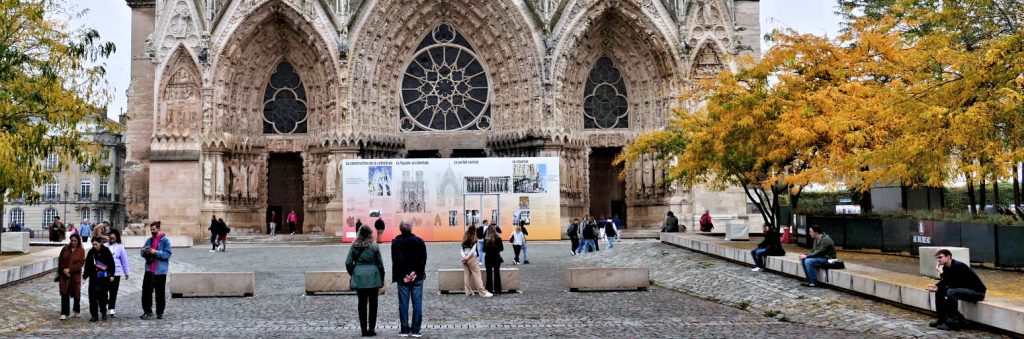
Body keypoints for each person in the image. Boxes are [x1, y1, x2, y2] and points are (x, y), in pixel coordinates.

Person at [927, 249, 987, 331]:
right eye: (937, 258)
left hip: (977, 292)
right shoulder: (946, 267)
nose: (938, 260)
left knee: (951, 292)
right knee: (940, 291)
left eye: (940, 257)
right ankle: (942, 319)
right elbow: (947, 281)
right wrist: (937, 286)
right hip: (963, 290)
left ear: (948, 257)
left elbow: (955, 284)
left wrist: (941, 273)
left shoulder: (958, 266)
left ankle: (953, 322)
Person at [346, 225, 385, 337]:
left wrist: (353, 273)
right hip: (373, 277)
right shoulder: (374, 246)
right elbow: (380, 264)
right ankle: (371, 329)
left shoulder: (354, 246)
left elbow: (348, 262)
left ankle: (363, 330)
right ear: (370, 234)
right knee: (373, 304)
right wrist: (381, 278)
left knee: (362, 304)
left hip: (360, 276)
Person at [391, 221, 427, 337]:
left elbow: (395, 261)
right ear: (411, 229)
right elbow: (423, 260)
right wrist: (415, 273)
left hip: (402, 278)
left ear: (400, 229)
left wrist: (404, 274)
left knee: (403, 304)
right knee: (417, 304)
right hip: (417, 277)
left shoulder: (396, 242)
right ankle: (416, 330)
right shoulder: (419, 241)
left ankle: (405, 330)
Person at [140, 221, 172, 320]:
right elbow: (141, 251)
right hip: (149, 269)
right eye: (151, 230)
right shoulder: (149, 240)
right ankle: (147, 311)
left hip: (160, 271)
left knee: (160, 293)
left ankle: (159, 312)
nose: (152, 231)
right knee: (146, 292)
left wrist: (156, 252)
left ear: (158, 229)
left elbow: (167, 254)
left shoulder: (165, 240)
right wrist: (144, 251)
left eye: (154, 229)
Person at [84, 236, 114, 322]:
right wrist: (85, 277)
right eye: (93, 244)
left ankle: (104, 312)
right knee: (92, 296)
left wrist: (111, 274)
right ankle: (94, 315)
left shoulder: (106, 251)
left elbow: (111, 263)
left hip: (103, 277)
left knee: (103, 296)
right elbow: (87, 266)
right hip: (93, 277)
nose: (94, 246)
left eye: (96, 244)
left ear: (100, 243)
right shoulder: (91, 252)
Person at [57, 233, 85, 320]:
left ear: (78, 241)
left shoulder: (81, 250)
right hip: (64, 275)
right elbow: (60, 260)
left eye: (75, 241)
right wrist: (64, 269)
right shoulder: (65, 249)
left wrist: (70, 270)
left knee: (76, 293)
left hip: (75, 275)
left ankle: (76, 310)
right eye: (72, 240)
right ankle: (64, 312)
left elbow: (81, 263)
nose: (73, 242)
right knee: (64, 293)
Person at [104, 228, 129, 318]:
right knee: (104, 290)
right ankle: (106, 303)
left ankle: (111, 308)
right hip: (106, 272)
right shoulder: (105, 246)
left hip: (116, 272)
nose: (111, 240)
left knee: (113, 291)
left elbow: (124, 260)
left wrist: (126, 272)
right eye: (110, 238)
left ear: (116, 238)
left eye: (113, 238)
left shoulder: (120, 247)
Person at [460, 227, 491, 298]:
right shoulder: (474, 239)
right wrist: (467, 258)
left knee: (466, 276)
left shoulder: (464, 239)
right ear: (474, 232)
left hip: (465, 258)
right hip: (472, 258)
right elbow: (473, 251)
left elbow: (461, 250)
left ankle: (468, 292)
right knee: (477, 275)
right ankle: (482, 292)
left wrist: (464, 257)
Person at [483, 227, 504, 294]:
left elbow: (484, 250)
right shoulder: (498, 239)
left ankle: (489, 290)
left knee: (489, 274)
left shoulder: (486, 240)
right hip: (496, 257)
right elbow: (501, 248)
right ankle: (498, 290)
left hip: (488, 258)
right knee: (497, 274)